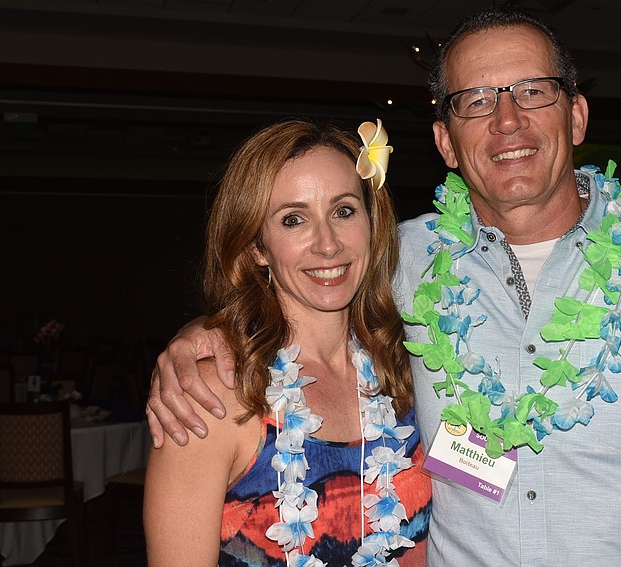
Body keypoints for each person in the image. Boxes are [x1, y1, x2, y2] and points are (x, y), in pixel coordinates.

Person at [147, 8, 621, 566]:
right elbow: (295, 287)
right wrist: (202, 337)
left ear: (577, 114)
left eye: (533, 91)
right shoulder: (402, 259)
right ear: (446, 141)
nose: (507, 120)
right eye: (476, 100)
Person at [143, 119, 430, 566]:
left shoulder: (409, 373)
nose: (328, 244)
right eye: (293, 220)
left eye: (344, 211)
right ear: (257, 247)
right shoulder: (211, 393)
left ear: (372, 224)